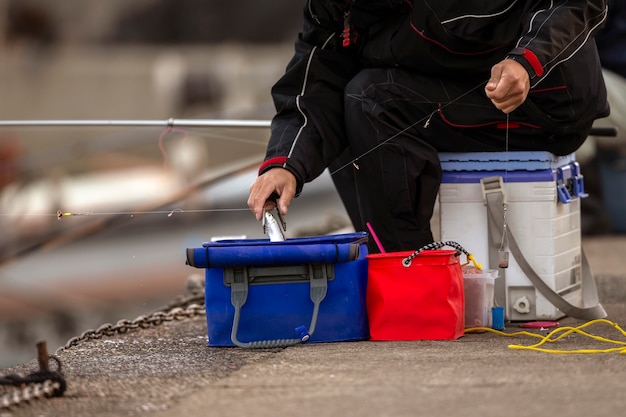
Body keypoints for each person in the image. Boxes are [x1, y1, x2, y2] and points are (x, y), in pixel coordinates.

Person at [247, 0, 610, 253]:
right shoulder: (333, 6)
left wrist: (526, 62)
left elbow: (579, 3)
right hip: (438, 94)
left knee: (369, 98)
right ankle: (395, 265)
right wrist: (285, 163)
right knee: (352, 102)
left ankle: (410, 277)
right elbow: (314, 85)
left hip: (545, 101)